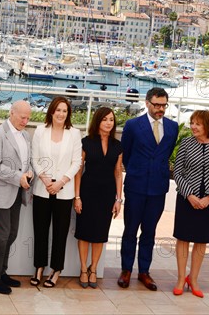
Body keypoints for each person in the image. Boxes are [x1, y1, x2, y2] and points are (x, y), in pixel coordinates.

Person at [118, 87, 179, 291]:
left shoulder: (173, 127)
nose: (160, 109)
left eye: (163, 105)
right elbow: (125, 154)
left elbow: (166, 154)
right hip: (136, 186)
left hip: (158, 188)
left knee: (149, 232)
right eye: (157, 105)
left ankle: (144, 271)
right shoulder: (133, 125)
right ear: (147, 103)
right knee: (130, 230)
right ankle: (126, 269)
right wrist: (137, 171)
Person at [172, 110, 209, 298]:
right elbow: (177, 171)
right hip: (186, 199)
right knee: (183, 238)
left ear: (208, 126)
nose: (193, 127)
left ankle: (193, 279)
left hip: (208, 203)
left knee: (201, 241)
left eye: (198, 123)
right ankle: (181, 279)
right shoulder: (186, 143)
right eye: (192, 123)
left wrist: (208, 198)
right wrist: (189, 194)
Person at [31, 97, 82, 288]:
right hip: (42, 189)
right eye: (58, 110)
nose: (61, 114)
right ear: (51, 111)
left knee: (60, 233)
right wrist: (44, 179)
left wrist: (60, 182)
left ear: (68, 114)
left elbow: (77, 162)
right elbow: (34, 158)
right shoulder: (40, 131)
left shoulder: (74, 134)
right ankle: (38, 268)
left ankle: (56, 270)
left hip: (64, 190)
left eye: (65, 111)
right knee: (40, 231)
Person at [0, 100, 34, 295]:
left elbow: (27, 162)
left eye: (28, 118)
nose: (25, 120)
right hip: (0, 193)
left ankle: (1, 272)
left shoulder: (26, 136)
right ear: (12, 113)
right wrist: (18, 177)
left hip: (18, 192)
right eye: (23, 117)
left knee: (11, 234)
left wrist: (28, 173)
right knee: (2, 236)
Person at [74, 107, 123, 289]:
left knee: (100, 234)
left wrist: (119, 199)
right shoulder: (86, 142)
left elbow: (118, 173)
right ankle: (82, 269)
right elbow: (78, 171)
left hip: (107, 195)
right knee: (84, 233)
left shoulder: (118, 145)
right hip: (87, 192)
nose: (108, 123)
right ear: (97, 121)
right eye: (104, 119)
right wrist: (77, 196)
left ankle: (93, 269)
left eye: (111, 119)